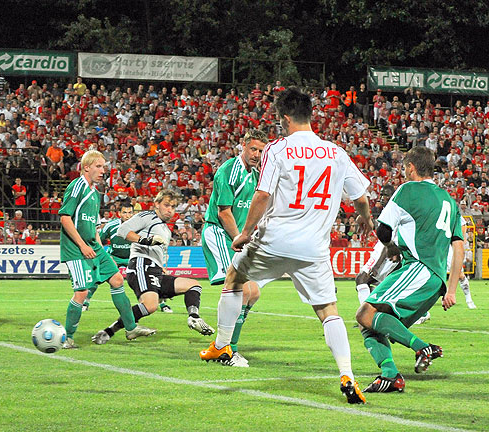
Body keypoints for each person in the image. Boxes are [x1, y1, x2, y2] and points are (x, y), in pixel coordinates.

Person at [199, 88, 372, 405]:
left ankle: (222, 343)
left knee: (234, 278)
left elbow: (263, 195)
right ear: (311, 115)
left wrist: (245, 232)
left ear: (285, 118)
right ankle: (347, 374)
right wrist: (366, 220)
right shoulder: (336, 153)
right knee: (328, 311)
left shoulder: (278, 149)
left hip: (274, 239)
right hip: (314, 248)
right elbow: (360, 197)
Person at [355, 147, 464, 393]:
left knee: (364, 314)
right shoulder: (449, 200)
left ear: (411, 167)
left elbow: (383, 230)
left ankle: (422, 347)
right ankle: (390, 375)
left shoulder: (408, 190)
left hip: (417, 268)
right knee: (371, 322)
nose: (404, 172)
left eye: (405, 167)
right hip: (435, 280)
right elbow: (458, 247)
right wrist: (452, 289)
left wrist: (391, 247)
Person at [91, 190, 215, 344]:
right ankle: (110, 331)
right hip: (141, 264)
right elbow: (122, 231)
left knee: (193, 285)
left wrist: (163, 266)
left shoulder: (165, 229)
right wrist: (146, 240)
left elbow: (162, 252)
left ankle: (194, 318)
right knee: (150, 306)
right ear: (157, 204)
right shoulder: (148, 216)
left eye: (173, 207)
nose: (170, 210)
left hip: (156, 269)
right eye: (166, 205)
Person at [58, 150, 155, 348]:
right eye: (99, 166)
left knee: (117, 279)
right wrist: (82, 245)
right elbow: (65, 218)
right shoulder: (77, 187)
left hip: (93, 246)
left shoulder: (94, 192)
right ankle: (67, 337)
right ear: (86, 167)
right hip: (76, 249)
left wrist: (100, 250)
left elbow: (92, 225)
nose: (103, 171)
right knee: (82, 293)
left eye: (104, 167)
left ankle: (130, 328)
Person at [201, 129, 267, 367]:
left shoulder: (256, 176)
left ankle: (228, 347)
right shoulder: (228, 170)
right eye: (253, 149)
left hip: (238, 238)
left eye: (260, 151)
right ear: (243, 145)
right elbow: (224, 212)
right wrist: (241, 238)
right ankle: (226, 350)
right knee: (241, 290)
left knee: (253, 293)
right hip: (220, 234)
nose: (256, 154)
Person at [81, 201, 173, 313]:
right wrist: (105, 257)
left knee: (153, 278)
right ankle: (85, 302)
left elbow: (151, 247)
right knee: (98, 274)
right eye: (124, 212)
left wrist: (159, 264)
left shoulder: (140, 225)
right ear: (119, 213)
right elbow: (98, 239)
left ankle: (162, 304)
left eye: (130, 212)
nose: (127, 215)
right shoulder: (111, 226)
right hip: (115, 256)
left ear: (133, 214)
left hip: (135, 257)